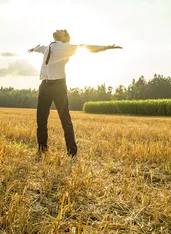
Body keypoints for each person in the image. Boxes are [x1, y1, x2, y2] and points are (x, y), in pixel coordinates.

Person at [28, 29, 122, 158]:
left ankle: (72, 151)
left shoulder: (67, 47)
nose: (57, 30)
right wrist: (33, 49)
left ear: (65, 37)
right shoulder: (48, 47)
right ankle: (42, 148)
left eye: (60, 30)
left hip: (58, 86)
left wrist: (105, 47)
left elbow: (87, 48)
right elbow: (39, 48)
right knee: (41, 119)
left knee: (65, 119)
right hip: (44, 85)